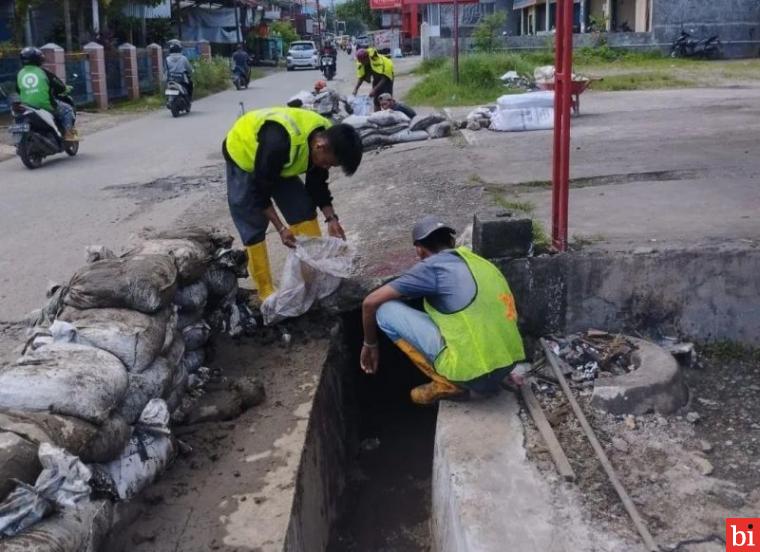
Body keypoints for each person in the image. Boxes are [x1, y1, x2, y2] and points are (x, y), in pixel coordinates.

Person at [360, 216, 526, 405]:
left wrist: (370, 344)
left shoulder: (431, 268)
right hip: (506, 366)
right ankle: (482, 375)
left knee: (385, 310)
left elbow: (369, 303)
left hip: (474, 376)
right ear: (452, 242)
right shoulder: (479, 262)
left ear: (419, 250)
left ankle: (448, 383)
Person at [223, 107, 363, 301]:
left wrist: (331, 219)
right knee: (252, 222)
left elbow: (317, 186)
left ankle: (313, 274)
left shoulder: (325, 137)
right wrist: (281, 229)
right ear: (320, 146)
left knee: (302, 208)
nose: (327, 167)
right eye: (328, 163)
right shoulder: (279, 142)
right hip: (244, 155)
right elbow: (260, 192)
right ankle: (266, 291)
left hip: (277, 162)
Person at [15, 47, 77, 141]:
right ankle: (70, 135)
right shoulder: (43, 72)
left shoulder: (20, 74)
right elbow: (59, 87)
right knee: (67, 109)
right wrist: (65, 88)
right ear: (37, 59)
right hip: (45, 105)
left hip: (26, 106)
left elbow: (18, 90)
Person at [352, 47, 394, 112]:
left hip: (387, 78)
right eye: (360, 61)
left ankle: (390, 113)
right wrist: (356, 89)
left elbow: (384, 78)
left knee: (386, 98)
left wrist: (374, 89)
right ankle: (377, 115)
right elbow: (361, 77)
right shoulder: (363, 63)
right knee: (376, 99)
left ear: (366, 58)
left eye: (362, 61)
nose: (361, 63)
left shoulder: (378, 61)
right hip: (377, 78)